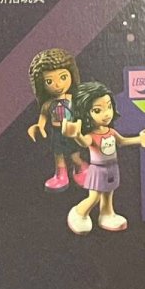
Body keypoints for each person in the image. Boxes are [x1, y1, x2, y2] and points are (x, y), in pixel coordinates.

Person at [62, 81, 145, 234]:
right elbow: (85, 142)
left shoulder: (110, 132)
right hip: (98, 169)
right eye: (98, 110)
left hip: (112, 167)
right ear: (85, 113)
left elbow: (122, 141)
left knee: (109, 193)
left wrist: (141, 139)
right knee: (95, 196)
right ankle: (79, 213)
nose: (106, 114)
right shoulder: (91, 135)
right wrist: (77, 135)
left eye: (109, 107)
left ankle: (107, 214)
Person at [25, 48, 88, 191]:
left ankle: (80, 168)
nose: (58, 85)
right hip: (57, 132)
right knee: (58, 155)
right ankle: (60, 176)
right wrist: (39, 126)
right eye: (49, 81)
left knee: (74, 155)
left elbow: (80, 113)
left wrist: (80, 126)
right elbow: (43, 116)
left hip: (70, 131)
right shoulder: (48, 104)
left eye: (63, 77)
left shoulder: (73, 99)